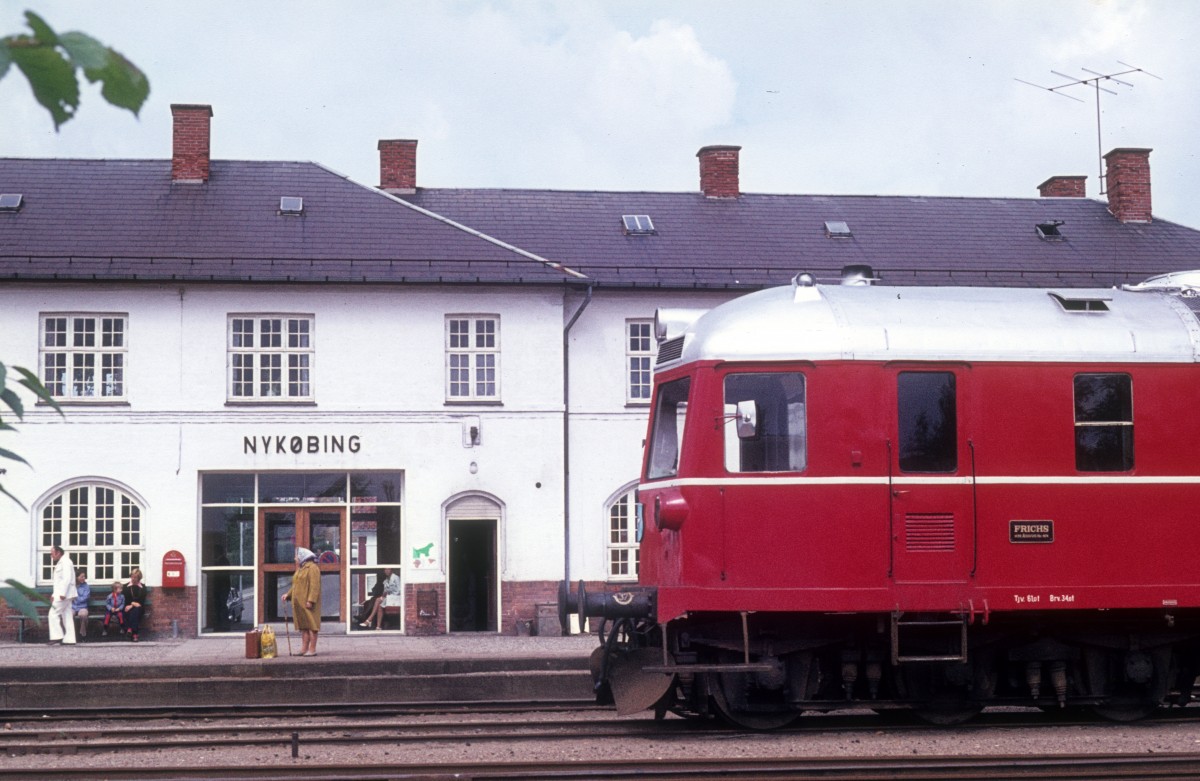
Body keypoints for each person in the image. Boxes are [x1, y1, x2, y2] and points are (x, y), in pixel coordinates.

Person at [282, 547, 321, 656]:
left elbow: (315, 586)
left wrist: (311, 600)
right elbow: (296, 585)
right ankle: (304, 649)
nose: (295, 559)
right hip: (300, 603)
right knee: (304, 626)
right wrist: (288, 595)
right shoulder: (301, 568)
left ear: (302, 556)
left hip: (307, 603)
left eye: (296, 556)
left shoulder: (312, 568)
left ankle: (312, 650)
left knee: (312, 626)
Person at [48, 544, 77, 645]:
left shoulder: (66, 562)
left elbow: (67, 578)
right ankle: (70, 639)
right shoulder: (62, 562)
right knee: (67, 615)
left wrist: (63, 593)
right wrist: (54, 594)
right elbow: (58, 582)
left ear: (58, 553)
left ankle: (57, 636)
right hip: (63, 593)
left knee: (53, 613)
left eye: (52, 553)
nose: (51, 556)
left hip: (64, 594)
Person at [123, 568, 149, 642]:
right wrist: (133, 604)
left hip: (139, 608)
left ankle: (130, 629)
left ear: (139, 578)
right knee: (133, 612)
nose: (133, 579)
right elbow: (126, 599)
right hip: (128, 607)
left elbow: (141, 601)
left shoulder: (143, 587)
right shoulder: (125, 587)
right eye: (132, 577)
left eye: (135, 577)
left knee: (136, 610)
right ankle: (135, 635)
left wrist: (131, 605)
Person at [72, 570, 91, 640]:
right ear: (76, 577)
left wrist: (75, 598)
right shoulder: (72, 586)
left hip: (83, 607)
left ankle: (83, 634)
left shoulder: (86, 587)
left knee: (83, 615)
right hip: (72, 607)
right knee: (68, 615)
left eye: (84, 576)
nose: (84, 578)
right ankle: (70, 634)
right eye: (82, 577)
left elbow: (85, 598)